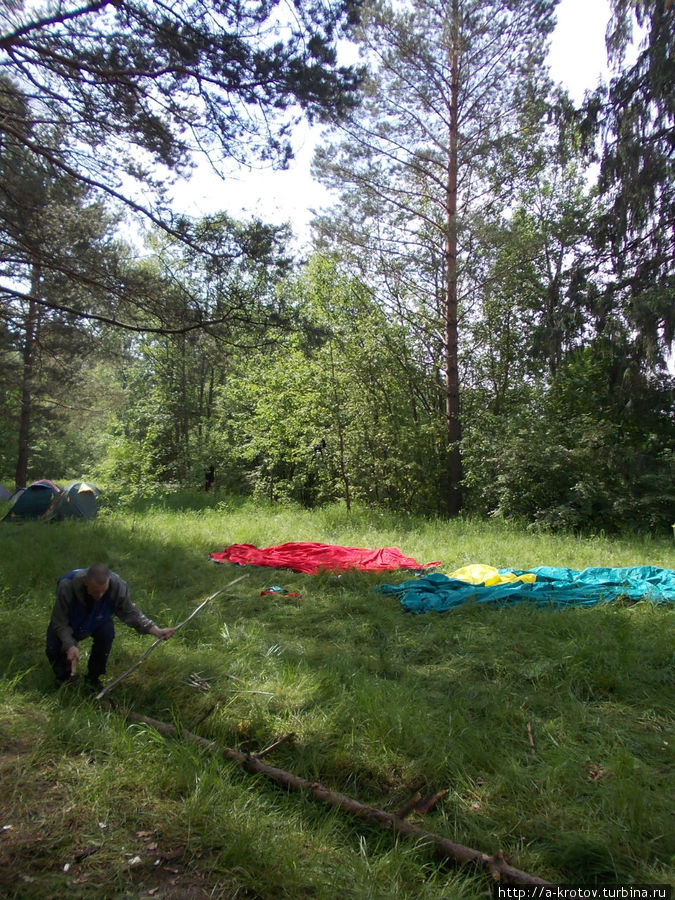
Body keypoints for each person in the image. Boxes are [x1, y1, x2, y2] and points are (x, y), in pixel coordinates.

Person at [45, 563, 176, 691]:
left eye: (104, 591)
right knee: (54, 647)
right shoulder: (67, 587)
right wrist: (70, 645)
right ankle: (65, 679)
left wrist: (156, 631)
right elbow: (60, 622)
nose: (100, 595)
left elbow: (130, 612)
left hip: (98, 618)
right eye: (96, 591)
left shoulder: (117, 586)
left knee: (106, 633)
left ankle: (93, 678)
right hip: (71, 619)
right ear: (85, 582)